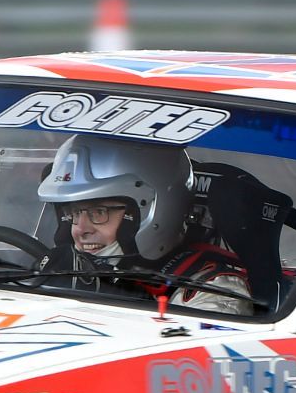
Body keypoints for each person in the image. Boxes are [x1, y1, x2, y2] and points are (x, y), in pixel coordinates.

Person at [35, 134, 255, 315]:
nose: (80, 230)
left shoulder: (213, 289)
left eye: (98, 212)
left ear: (152, 211)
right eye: (72, 212)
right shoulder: (60, 268)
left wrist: (118, 300)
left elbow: (188, 361)